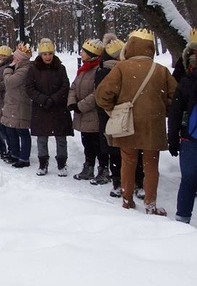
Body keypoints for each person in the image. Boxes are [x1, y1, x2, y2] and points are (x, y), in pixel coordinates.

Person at [96, 28, 177, 214]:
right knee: (151, 166)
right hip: (153, 126)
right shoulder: (161, 71)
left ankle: (127, 200)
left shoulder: (121, 68)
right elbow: (176, 98)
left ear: (131, 46)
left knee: (128, 161)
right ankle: (150, 205)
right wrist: (159, 108)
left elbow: (102, 95)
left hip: (128, 124)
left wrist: (112, 109)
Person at [25, 38, 73, 176]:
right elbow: (29, 88)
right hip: (41, 108)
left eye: (50, 54)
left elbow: (65, 85)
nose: (48, 57)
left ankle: (62, 163)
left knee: (61, 137)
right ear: (40, 54)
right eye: (45, 54)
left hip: (58, 108)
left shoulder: (60, 68)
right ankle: (43, 163)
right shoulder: (33, 69)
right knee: (42, 137)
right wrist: (43, 99)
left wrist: (54, 99)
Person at [94, 36, 134, 194]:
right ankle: (118, 182)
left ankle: (123, 181)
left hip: (118, 115)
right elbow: (102, 96)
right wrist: (113, 110)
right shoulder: (106, 71)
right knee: (117, 151)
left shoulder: (122, 70)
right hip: (114, 116)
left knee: (121, 151)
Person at [167, 32, 197, 223]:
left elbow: (175, 113)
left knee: (188, 181)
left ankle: (182, 220)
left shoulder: (185, 82)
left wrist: (173, 140)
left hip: (189, 138)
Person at [68, 38, 105, 180]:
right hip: (82, 115)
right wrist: (72, 102)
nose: (81, 53)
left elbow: (97, 93)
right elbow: (73, 87)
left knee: (98, 144)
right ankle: (88, 168)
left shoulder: (99, 70)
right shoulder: (83, 70)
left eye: (83, 51)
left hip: (94, 115)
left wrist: (81, 106)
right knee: (87, 144)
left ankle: (103, 170)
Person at [0, 43, 33, 168]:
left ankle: (24, 158)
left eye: (16, 58)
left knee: (22, 131)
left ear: (20, 59)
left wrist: (8, 69)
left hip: (20, 104)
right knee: (11, 128)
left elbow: (10, 82)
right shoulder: (19, 68)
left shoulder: (24, 69)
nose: (13, 59)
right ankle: (14, 153)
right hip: (13, 103)